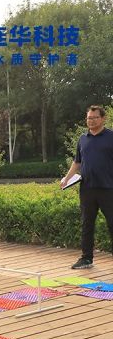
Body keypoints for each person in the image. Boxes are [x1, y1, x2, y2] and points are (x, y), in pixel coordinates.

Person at [61, 105, 113, 269]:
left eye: (95, 117)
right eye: (89, 118)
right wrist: (66, 179)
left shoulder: (111, 137)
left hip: (108, 189)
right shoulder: (83, 139)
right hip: (87, 189)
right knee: (87, 224)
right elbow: (77, 162)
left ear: (102, 119)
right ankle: (86, 258)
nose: (91, 121)